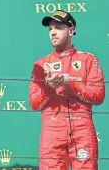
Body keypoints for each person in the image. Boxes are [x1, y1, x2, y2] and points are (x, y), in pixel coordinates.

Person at [29, 10, 105, 170]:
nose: (53, 32)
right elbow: (34, 104)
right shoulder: (40, 65)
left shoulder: (89, 60)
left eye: (58, 27)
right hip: (51, 133)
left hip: (82, 131)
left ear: (71, 31)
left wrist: (70, 86)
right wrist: (49, 89)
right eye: (50, 29)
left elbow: (98, 96)